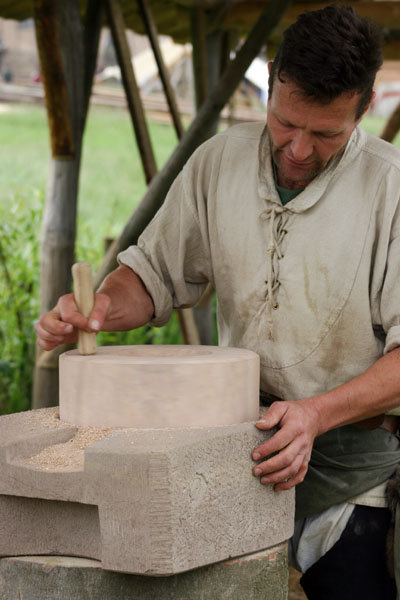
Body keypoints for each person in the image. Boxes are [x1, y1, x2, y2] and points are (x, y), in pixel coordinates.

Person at [36, 5, 400, 598]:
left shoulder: (391, 188)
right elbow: (152, 275)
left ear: (364, 109)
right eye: (285, 122)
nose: (299, 149)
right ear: (270, 82)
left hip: (354, 477)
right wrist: (99, 308)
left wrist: (315, 414)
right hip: (242, 455)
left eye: (326, 134)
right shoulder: (219, 161)